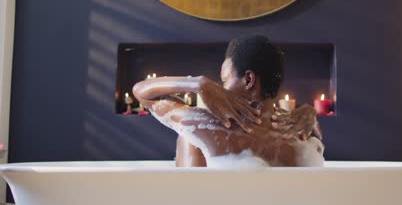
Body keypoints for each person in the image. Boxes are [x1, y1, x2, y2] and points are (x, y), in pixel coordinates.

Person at [133, 35, 324, 167]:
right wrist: (311, 113)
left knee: (187, 139)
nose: (219, 88)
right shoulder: (299, 135)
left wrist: (199, 84)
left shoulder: (202, 128)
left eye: (224, 80)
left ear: (248, 80)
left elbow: (141, 92)